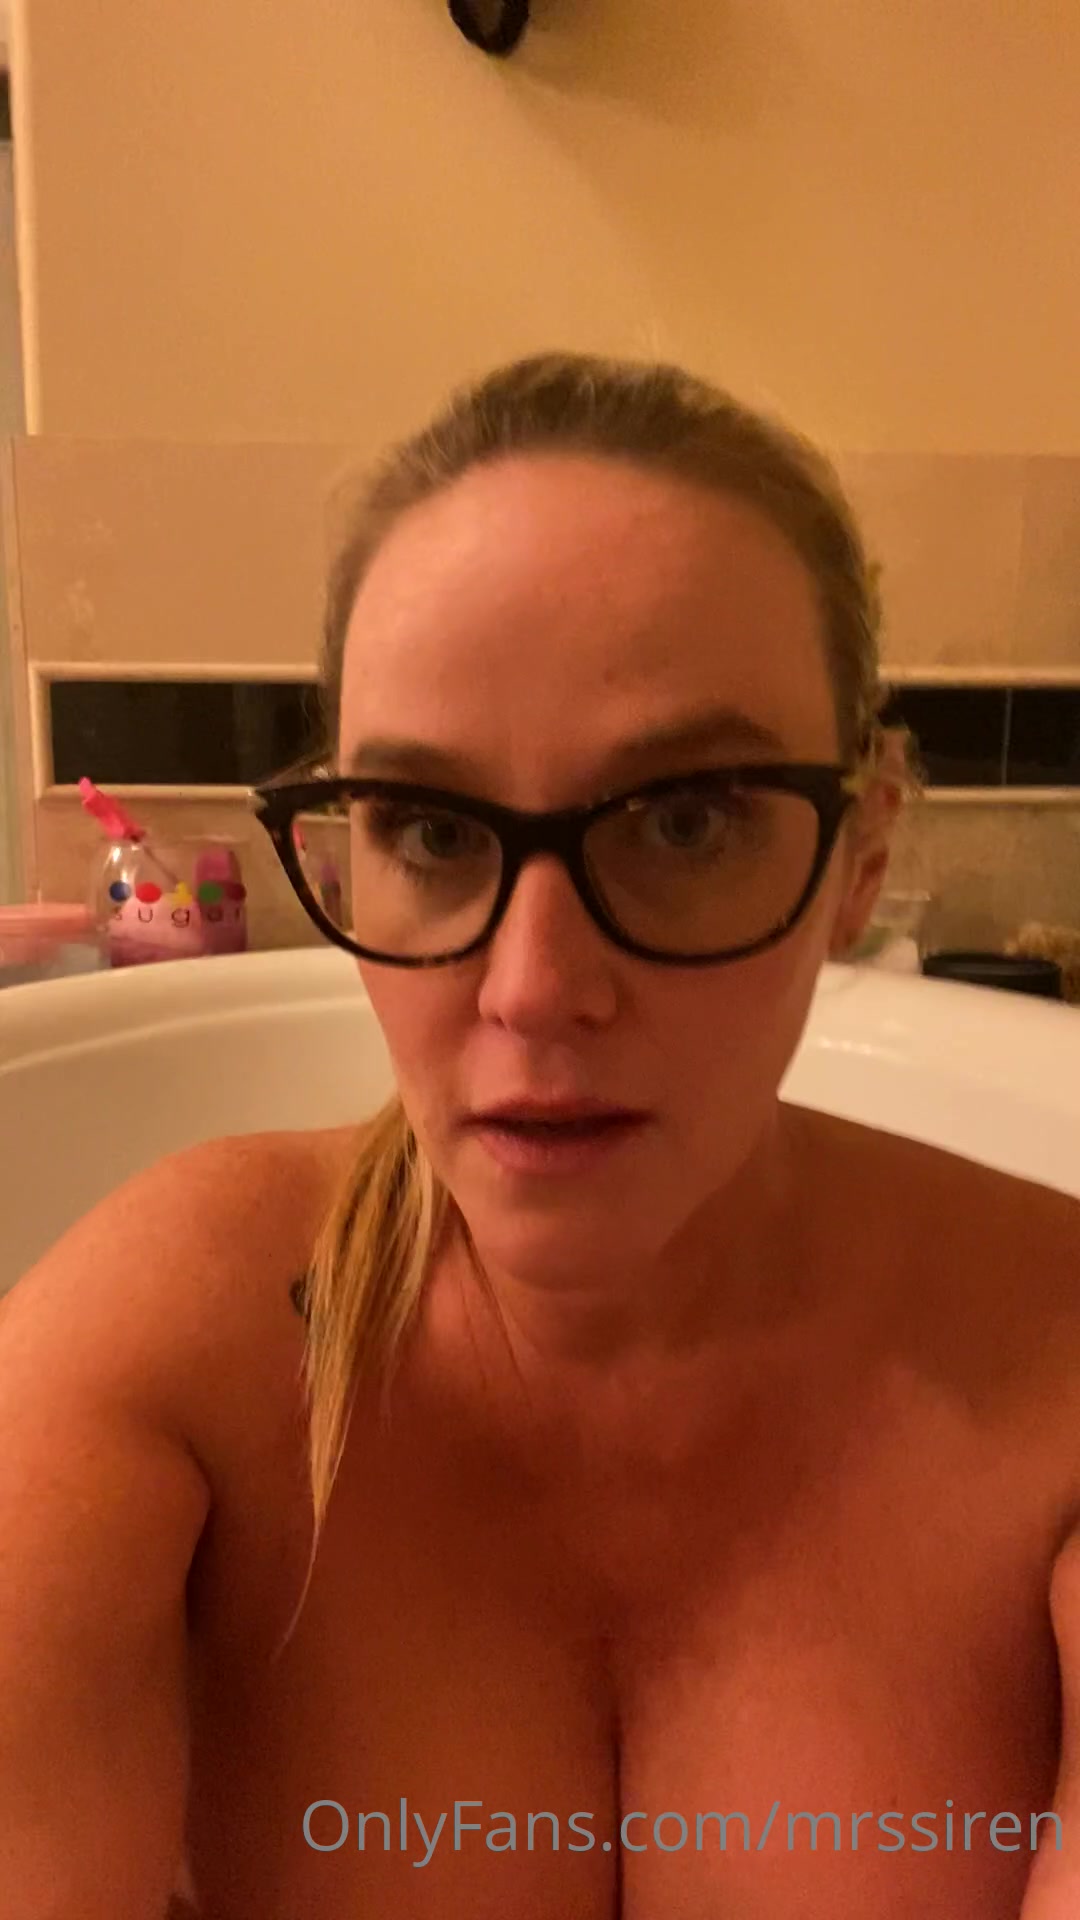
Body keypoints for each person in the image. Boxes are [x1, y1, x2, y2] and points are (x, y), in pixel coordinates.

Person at [2, 352, 1078, 1920]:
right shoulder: (166, 1355)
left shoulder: (1057, 1374)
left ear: (862, 853)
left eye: (687, 821)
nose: (533, 988)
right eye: (433, 831)